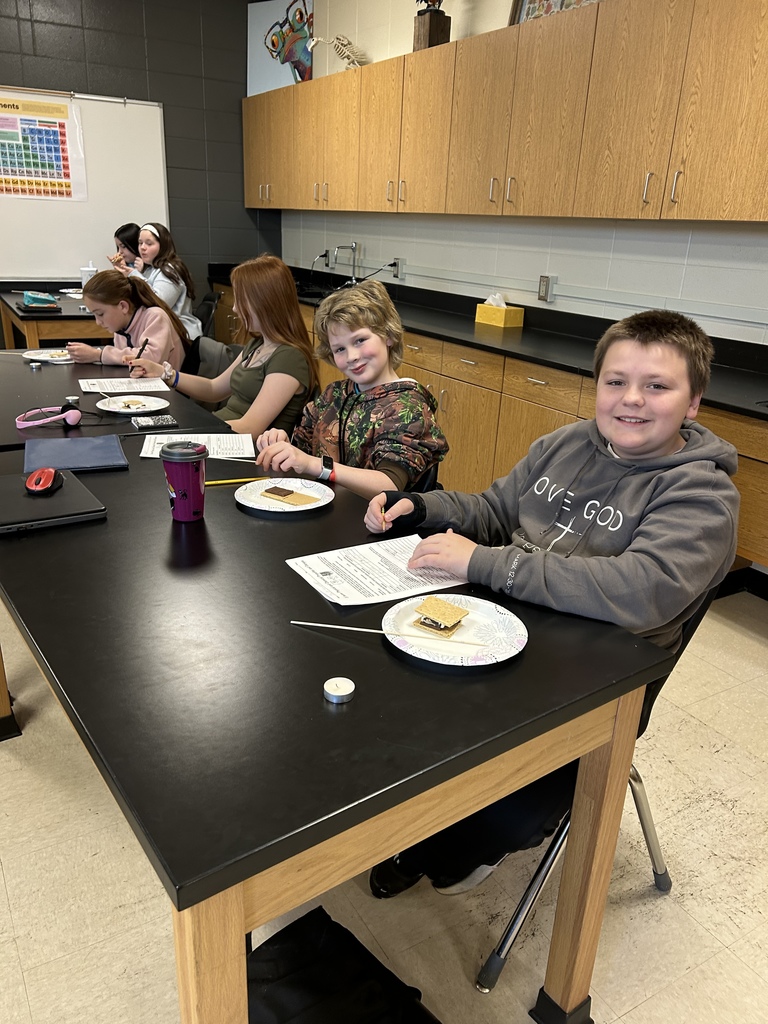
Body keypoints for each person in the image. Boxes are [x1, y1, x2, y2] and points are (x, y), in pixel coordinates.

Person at [362, 308, 740, 898]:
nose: (631, 399)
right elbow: (494, 512)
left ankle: (448, 847)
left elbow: (638, 591)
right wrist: (425, 507)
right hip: (503, 629)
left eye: (657, 386)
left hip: (596, 684)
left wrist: (485, 564)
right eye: (616, 381)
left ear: (693, 403)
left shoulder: (702, 495)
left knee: (492, 806)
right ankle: (409, 827)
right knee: (388, 699)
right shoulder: (565, 444)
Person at [255, 279, 448, 500]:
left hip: (376, 519)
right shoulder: (333, 396)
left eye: (360, 340)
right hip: (324, 509)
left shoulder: (408, 406)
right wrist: (282, 445)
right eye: (340, 349)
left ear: (388, 336)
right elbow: (303, 453)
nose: (352, 356)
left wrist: (316, 465)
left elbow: (389, 484)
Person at [129, 254, 317, 437]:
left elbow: (250, 427)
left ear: (265, 303)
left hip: (237, 445)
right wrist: (165, 373)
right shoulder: (257, 345)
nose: (235, 308)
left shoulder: (289, 358)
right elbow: (213, 389)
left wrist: (186, 428)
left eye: (241, 300)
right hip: (219, 432)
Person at [66, 270, 188, 369]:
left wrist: (99, 355)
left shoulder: (155, 316)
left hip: (169, 388)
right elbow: (123, 361)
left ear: (123, 306)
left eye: (100, 314)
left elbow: (150, 358)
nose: (98, 322)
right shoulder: (121, 327)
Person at [115, 222, 202, 340]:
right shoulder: (150, 269)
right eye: (140, 243)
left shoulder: (170, 269)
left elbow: (159, 303)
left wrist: (135, 275)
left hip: (180, 331)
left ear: (163, 245)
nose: (142, 247)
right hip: (162, 328)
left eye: (149, 243)